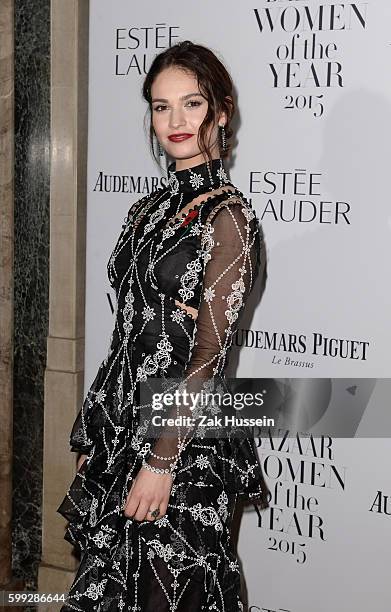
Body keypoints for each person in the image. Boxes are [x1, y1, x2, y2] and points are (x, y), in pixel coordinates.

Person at [57, 40, 269, 612]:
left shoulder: (230, 218)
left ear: (221, 111)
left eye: (192, 104)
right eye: (160, 106)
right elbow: (127, 330)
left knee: (168, 594)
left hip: (186, 440)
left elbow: (208, 356)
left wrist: (160, 461)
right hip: (125, 425)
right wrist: (96, 431)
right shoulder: (146, 209)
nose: (174, 121)